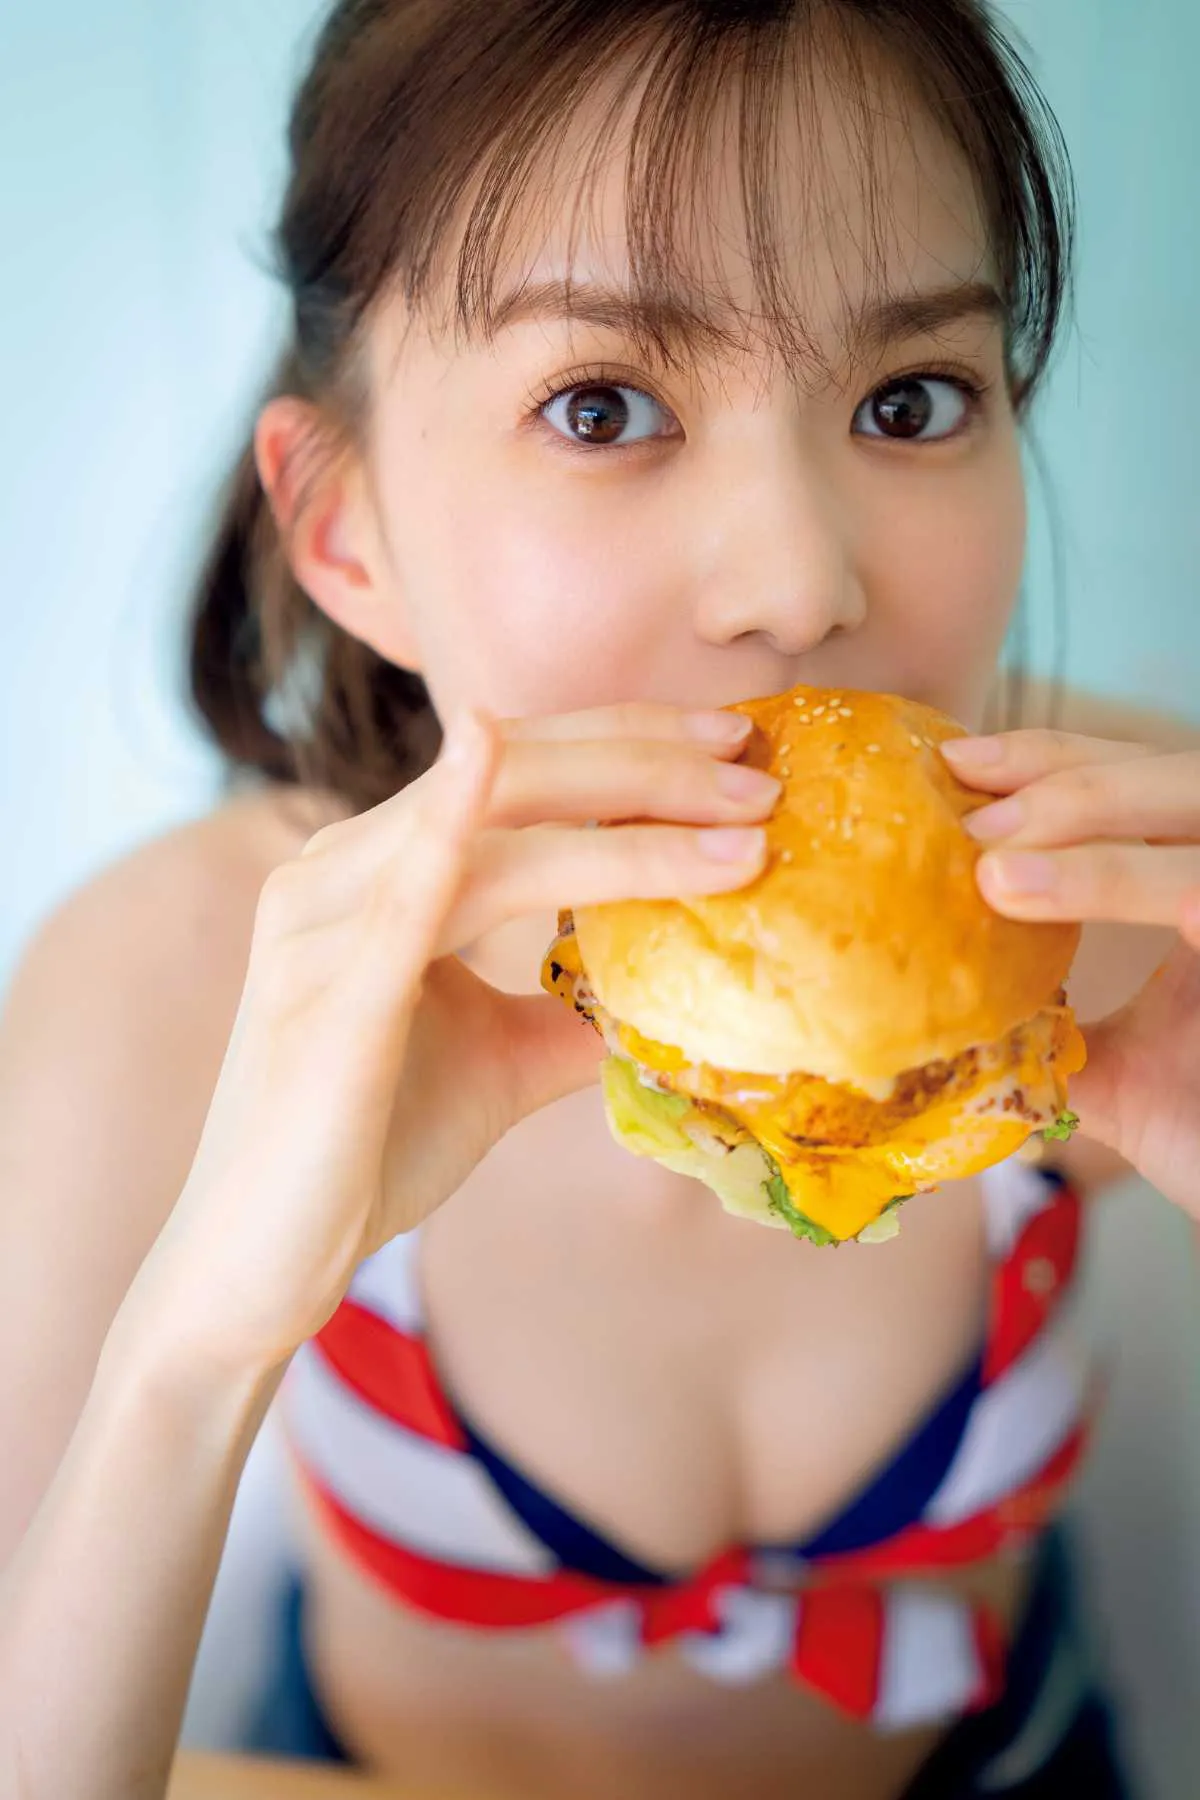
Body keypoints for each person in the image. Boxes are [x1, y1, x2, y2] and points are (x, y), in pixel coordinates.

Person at [0, 2, 1197, 1796]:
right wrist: (191, 1355)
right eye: (602, 404)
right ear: (349, 536)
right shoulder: (176, 989)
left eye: (911, 398)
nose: (797, 585)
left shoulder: (1119, 897)